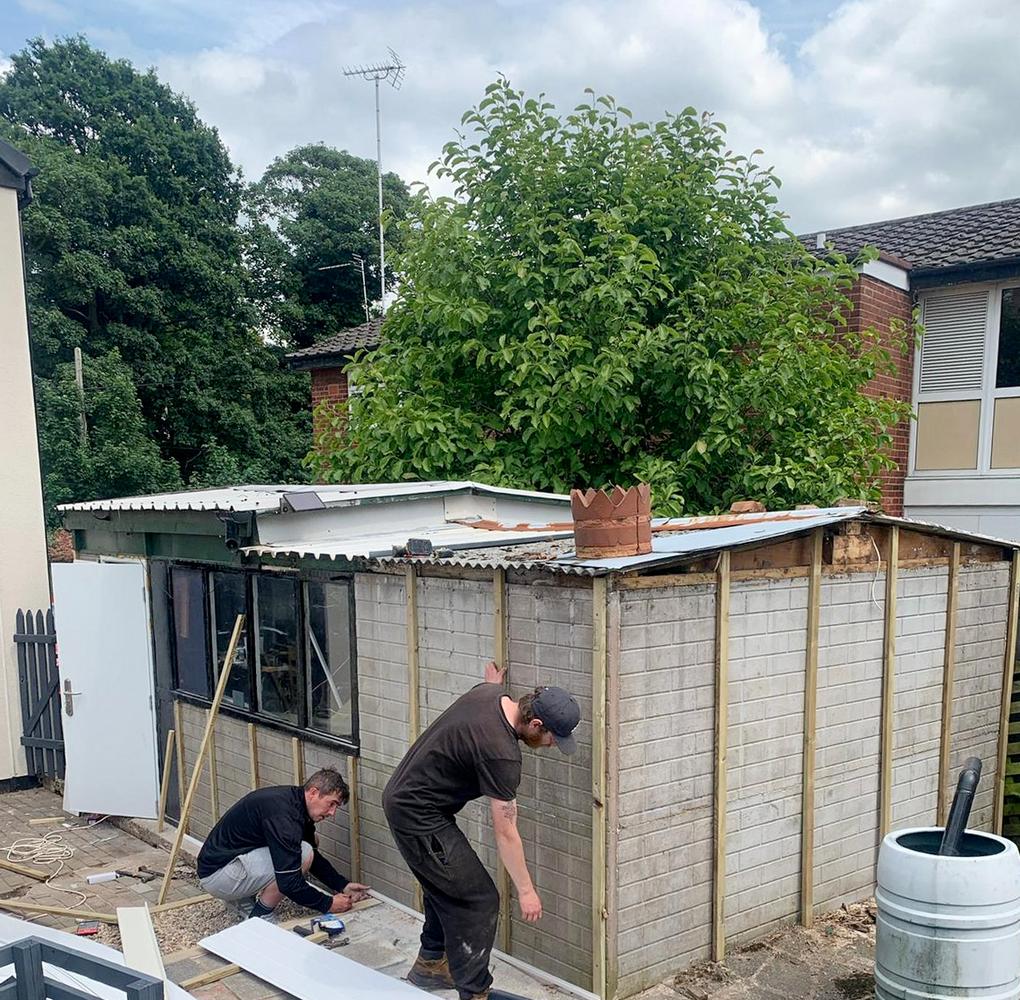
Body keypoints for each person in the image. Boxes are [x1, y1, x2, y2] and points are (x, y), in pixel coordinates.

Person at [384, 662, 582, 1000]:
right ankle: (474, 992)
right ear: (535, 723)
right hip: (417, 816)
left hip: (411, 801)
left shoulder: (489, 695)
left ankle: (431, 964)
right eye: (551, 737)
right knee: (480, 900)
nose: (552, 745)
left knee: (446, 886)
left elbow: (488, 687)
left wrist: (492, 682)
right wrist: (527, 890)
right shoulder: (502, 756)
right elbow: (506, 833)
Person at [197, 767, 370, 919]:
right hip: (219, 877)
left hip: (223, 866)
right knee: (303, 853)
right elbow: (289, 883)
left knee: (307, 847)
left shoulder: (293, 803)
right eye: (331, 804)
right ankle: (261, 914)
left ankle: (241, 898)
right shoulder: (285, 818)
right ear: (314, 793)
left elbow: (312, 858)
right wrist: (328, 904)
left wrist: (341, 885)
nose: (332, 812)